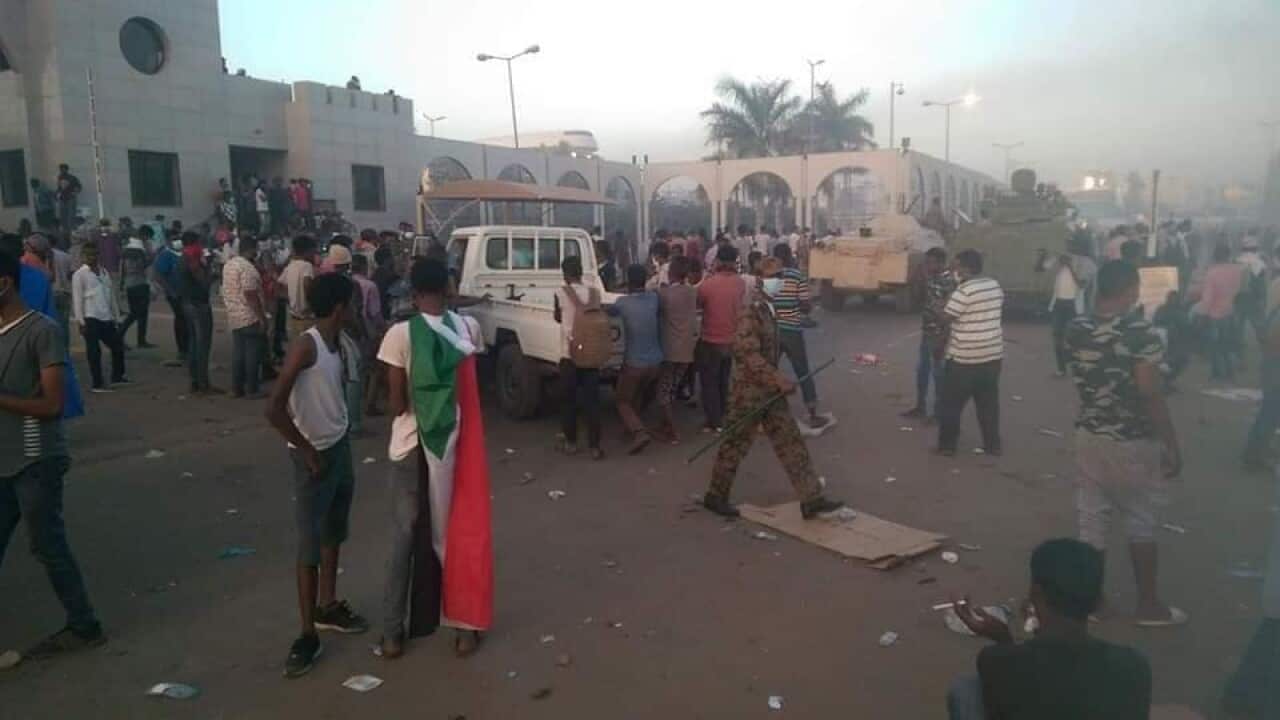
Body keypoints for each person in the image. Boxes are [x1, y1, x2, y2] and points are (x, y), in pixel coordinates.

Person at [375, 258, 494, 659]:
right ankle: (464, 629)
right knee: (455, 533)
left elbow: (396, 404)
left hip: (409, 446)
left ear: (412, 293)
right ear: (448, 288)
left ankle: (392, 634)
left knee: (404, 537)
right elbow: (471, 386)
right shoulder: (468, 329)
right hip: (454, 444)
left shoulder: (399, 334)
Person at [1066, 260, 1186, 626]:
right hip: (1133, 439)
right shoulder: (1140, 333)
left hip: (1089, 435)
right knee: (1140, 520)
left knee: (1092, 521)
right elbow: (1149, 392)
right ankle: (1148, 606)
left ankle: (1093, 603)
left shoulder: (1076, 327)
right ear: (1132, 289)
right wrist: (1171, 442)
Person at [0, 251, 106, 660]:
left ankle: (84, 624)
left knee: (46, 542)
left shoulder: (41, 332)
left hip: (33, 451)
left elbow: (51, 405)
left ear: (5, 283)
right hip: (5, 454)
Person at [265, 272, 369, 678]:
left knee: (332, 533)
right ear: (340, 307)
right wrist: (306, 449)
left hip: (338, 448)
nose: (356, 310)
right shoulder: (306, 346)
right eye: (352, 304)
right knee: (309, 546)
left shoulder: (337, 342)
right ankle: (307, 634)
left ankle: (328, 605)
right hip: (314, 458)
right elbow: (273, 408)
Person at [946, 538, 1152, 720]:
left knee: (965, 690)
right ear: (1098, 602)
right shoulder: (1134, 666)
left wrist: (1003, 639)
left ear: (1035, 593)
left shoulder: (997, 661)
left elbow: (1010, 677)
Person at [702, 269, 845, 520]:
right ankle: (716, 496)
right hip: (748, 393)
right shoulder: (751, 312)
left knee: (791, 442)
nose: (779, 283)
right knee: (734, 445)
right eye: (774, 279)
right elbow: (747, 353)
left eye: (780, 278)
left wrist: (775, 381)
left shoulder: (770, 310)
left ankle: (811, 499)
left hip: (769, 391)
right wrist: (778, 379)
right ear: (762, 282)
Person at [936, 249, 1004, 457]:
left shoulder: (964, 291)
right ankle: (993, 445)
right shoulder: (994, 285)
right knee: (988, 404)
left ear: (965, 268)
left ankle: (947, 447)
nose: (954, 270)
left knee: (950, 404)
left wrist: (944, 302)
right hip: (992, 355)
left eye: (956, 266)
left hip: (964, 358)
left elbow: (945, 318)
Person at [766, 246, 833, 434]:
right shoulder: (797, 276)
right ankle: (812, 413)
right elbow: (806, 306)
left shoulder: (767, 277)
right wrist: (797, 305)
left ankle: (764, 415)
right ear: (789, 257)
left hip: (772, 331)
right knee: (802, 371)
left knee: (768, 371)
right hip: (792, 331)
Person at [608, 264, 664, 454]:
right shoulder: (654, 298)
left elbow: (609, 312)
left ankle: (639, 432)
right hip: (656, 362)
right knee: (637, 395)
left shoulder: (622, 303)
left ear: (628, 281)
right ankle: (630, 429)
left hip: (634, 363)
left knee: (622, 400)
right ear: (645, 280)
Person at [553, 256, 603, 459]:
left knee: (568, 401)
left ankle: (571, 443)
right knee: (593, 402)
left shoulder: (560, 293)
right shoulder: (595, 293)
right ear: (581, 272)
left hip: (569, 354)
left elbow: (557, 317)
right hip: (592, 352)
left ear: (565, 274)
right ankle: (595, 447)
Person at [696, 246, 745, 433]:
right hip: (731, 338)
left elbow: (698, 304)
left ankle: (714, 421)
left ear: (718, 261)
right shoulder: (740, 283)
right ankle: (722, 415)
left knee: (709, 382)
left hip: (711, 339)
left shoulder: (707, 285)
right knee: (723, 380)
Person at [903, 247, 955, 422]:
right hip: (928, 330)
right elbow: (917, 299)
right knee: (922, 370)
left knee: (938, 373)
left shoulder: (948, 281)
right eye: (926, 262)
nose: (926, 265)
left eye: (929, 262)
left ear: (940, 263)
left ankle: (938, 412)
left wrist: (944, 336)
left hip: (940, 333)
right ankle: (921, 407)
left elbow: (948, 310)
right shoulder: (930, 277)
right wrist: (917, 278)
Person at [1035, 237, 1097, 377]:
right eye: (1068, 244)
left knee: (1077, 338)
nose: (1069, 247)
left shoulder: (1087, 263)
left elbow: (1081, 284)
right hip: (1058, 303)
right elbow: (1039, 269)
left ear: (1080, 246)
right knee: (1057, 337)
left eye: (1072, 244)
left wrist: (1069, 265)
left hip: (1074, 306)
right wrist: (1042, 256)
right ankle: (1061, 369)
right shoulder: (1060, 258)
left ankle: (1080, 368)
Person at [71, 242, 128, 392]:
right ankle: (97, 383)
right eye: (89, 255)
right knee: (94, 352)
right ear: (83, 256)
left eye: (95, 254)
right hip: (90, 317)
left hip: (106, 317)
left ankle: (117, 376)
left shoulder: (104, 272)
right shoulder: (79, 275)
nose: (92, 257)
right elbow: (77, 299)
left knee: (117, 346)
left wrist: (117, 317)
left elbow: (111, 296)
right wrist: (80, 321)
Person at [656, 256, 698, 443]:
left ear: (671, 272)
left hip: (670, 350)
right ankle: (665, 425)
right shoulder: (691, 292)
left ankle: (673, 432)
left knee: (663, 392)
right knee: (672, 388)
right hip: (687, 349)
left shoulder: (664, 294)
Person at [1243, 268, 1280, 472]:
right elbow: (1272, 342)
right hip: (1275, 369)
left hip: (1272, 367)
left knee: (1270, 413)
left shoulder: (1275, 311)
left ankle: (1257, 451)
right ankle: (1256, 454)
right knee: (1271, 413)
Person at [223, 235, 268, 399]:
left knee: (238, 354)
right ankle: (252, 389)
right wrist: (262, 318)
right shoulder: (248, 268)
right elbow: (250, 294)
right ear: (252, 249)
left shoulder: (229, 265)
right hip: (249, 316)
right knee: (252, 355)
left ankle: (237, 388)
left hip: (234, 315)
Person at [177, 231, 218, 395]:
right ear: (195, 242)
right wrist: (211, 269)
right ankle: (203, 383)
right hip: (198, 305)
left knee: (194, 344)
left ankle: (195, 381)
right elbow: (204, 282)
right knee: (202, 345)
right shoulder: (192, 257)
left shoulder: (183, 257)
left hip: (187, 303)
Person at [1194, 243, 1243, 380]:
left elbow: (1208, 298)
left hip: (1215, 314)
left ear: (1215, 256)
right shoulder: (1236, 271)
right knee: (1228, 344)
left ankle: (1217, 373)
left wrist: (1202, 315)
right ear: (1228, 255)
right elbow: (1238, 290)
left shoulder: (1212, 273)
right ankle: (1229, 372)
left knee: (1215, 346)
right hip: (1230, 311)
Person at [151, 232, 189, 368]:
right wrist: (170, 291)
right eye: (174, 239)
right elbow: (158, 275)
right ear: (168, 241)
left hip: (186, 293)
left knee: (186, 320)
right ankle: (182, 350)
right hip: (174, 294)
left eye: (179, 238)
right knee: (181, 319)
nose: (177, 241)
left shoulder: (184, 253)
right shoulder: (166, 255)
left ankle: (187, 348)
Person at [117, 235, 154, 349]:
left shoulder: (124, 259)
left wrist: (121, 287)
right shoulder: (140, 257)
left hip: (129, 286)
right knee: (139, 314)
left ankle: (139, 340)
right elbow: (146, 265)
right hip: (141, 285)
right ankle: (122, 335)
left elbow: (121, 274)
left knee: (136, 313)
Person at [280, 235, 318, 341]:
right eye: (313, 252)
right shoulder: (307, 266)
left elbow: (280, 285)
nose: (314, 255)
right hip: (307, 317)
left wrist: (290, 300)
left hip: (294, 316)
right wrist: (311, 304)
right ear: (308, 251)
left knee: (296, 343)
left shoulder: (290, 266)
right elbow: (307, 284)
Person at [54, 164, 81, 238]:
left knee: (70, 217)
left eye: (63, 169)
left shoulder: (72, 178)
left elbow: (78, 187)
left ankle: (71, 233)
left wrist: (74, 192)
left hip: (70, 199)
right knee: (63, 217)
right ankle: (66, 234)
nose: (62, 171)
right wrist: (57, 195)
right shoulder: (59, 178)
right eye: (61, 169)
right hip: (63, 199)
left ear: (66, 169)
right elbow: (59, 188)